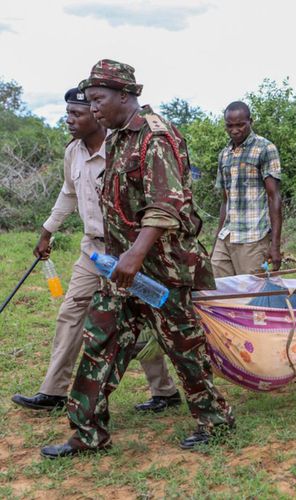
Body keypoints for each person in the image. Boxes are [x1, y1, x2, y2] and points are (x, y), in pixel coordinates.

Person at [40, 60, 234, 459]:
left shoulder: (155, 138)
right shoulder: (115, 140)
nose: (93, 109)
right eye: (90, 101)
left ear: (124, 96)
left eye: (98, 100)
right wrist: (118, 259)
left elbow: (166, 205)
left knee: (184, 348)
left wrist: (133, 255)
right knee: (100, 341)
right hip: (122, 270)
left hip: (163, 270)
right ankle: (87, 433)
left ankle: (214, 419)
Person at [11, 88, 181, 414]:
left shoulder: (123, 147)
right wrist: (47, 231)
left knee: (141, 318)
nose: (69, 120)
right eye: (68, 114)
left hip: (129, 250)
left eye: (76, 114)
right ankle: (53, 391)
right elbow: (67, 193)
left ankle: (165, 391)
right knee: (71, 313)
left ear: (95, 112)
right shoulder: (72, 152)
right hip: (91, 251)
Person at [212, 101, 282, 276]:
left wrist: (275, 246)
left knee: (251, 295)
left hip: (253, 237)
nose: (235, 130)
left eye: (240, 125)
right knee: (217, 290)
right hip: (226, 236)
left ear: (250, 121)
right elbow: (225, 200)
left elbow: (274, 197)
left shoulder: (265, 148)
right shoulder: (224, 154)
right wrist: (216, 241)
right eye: (230, 126)